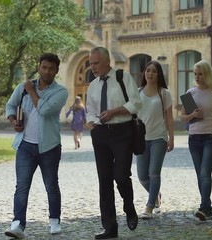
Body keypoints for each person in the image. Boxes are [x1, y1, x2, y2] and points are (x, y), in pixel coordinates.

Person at [4, 53, 68, 238]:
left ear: (56, 71)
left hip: (49, 146)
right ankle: (17, 224)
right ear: (39, 67)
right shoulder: (23, 88)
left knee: (51, 185)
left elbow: (45, 109)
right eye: (44, 67)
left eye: (51, 68)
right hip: (25, 145)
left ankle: (54, 220)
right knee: (22, 186)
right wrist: (13, 121)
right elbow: (10, 106)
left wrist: (32, 90)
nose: (47, 71)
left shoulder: (60, 92)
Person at [86, 46, 142, 239]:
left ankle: (129, 206)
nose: (92, 67)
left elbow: (136, 104)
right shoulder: (92, 85)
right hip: (100, 135)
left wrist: (114, 112)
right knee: (104, 181)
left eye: (96, 63)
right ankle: (110, 228)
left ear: (106, 61)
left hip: (122, 132)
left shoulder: (122, 78)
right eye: (91, 63)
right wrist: (91, 122)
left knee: (121, 176)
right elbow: (90, 110)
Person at [180, 59, 212, 221]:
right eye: (195, 74)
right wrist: (193, 115)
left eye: (200, 74)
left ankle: (204, 208)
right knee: (200, 175)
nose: (197, 77)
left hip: (211, 137)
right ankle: (207, 208)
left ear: (207, 74)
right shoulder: (190, 93)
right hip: (194, 139)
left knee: (204, 173)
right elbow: (182, 118)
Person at [136, 61, 175, 219]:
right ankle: (156, 196)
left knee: (154, 173)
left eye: (153, 71)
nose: (150, 74)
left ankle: (150, 206)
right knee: (142, 176)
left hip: (159, 137)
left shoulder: (164, 93)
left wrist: (171, 138)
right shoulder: (137, 92)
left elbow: (170, 118)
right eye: (147, 70)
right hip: (141, 139)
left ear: (159, 74)